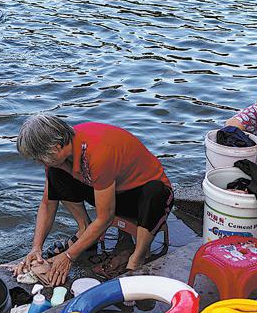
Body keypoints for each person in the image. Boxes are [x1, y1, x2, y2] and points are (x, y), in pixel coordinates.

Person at [14, 114, 173, 284]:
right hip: (113, 191)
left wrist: (69, 256)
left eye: (40, 157)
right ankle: (84, 229)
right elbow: (48, 204)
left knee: (154, 192)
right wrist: (36, 248)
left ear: (56, 146)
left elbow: (106, 218)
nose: (39, 162)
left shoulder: (97, 152)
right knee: (55, 173)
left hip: (146, 197)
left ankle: (137, 257)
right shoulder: (58, 158)